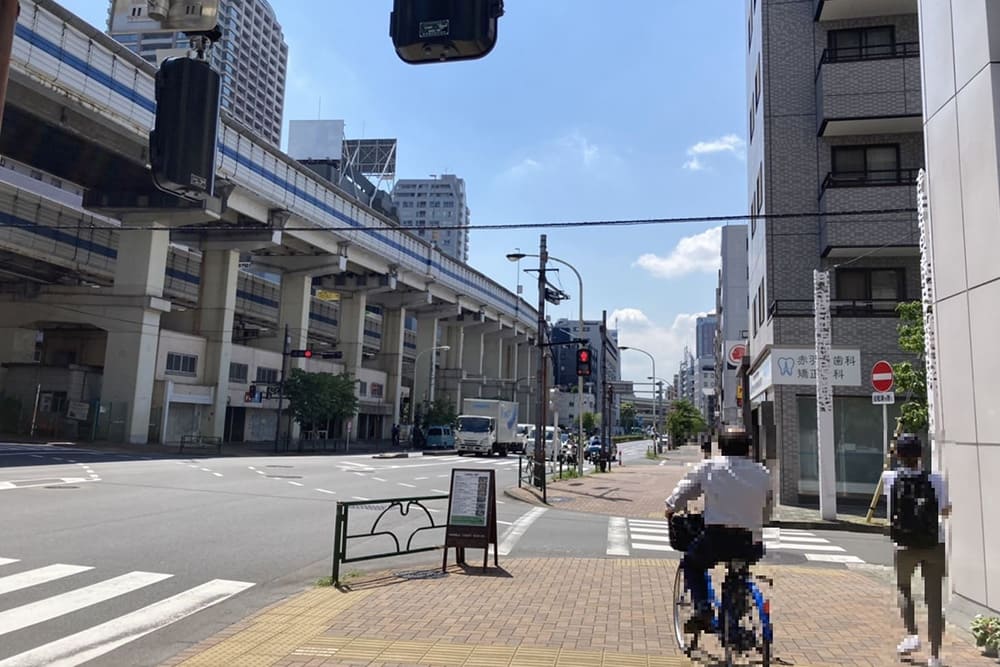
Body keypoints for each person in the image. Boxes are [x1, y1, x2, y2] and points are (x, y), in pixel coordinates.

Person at [665, 430, 772, 634]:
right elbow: (766, 508)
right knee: (739, 572)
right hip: (751, 542)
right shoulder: (762, 472)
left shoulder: (710, 467)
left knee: (692, 562)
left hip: (717, 539)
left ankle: (703, 606)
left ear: (720, 448)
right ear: (748, 448)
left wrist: (671, 507)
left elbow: (685, 491)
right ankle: (734, 620)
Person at [883, 433, 950, 667]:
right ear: (921, 455)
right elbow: (944, 511)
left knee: (903, 587)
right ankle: (935, 656)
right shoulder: (936, 479)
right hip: (934, 543)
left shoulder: (889, 477)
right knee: (934, 598)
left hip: (904, 544)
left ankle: (912, 635)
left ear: (898, 456)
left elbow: (891, 508)